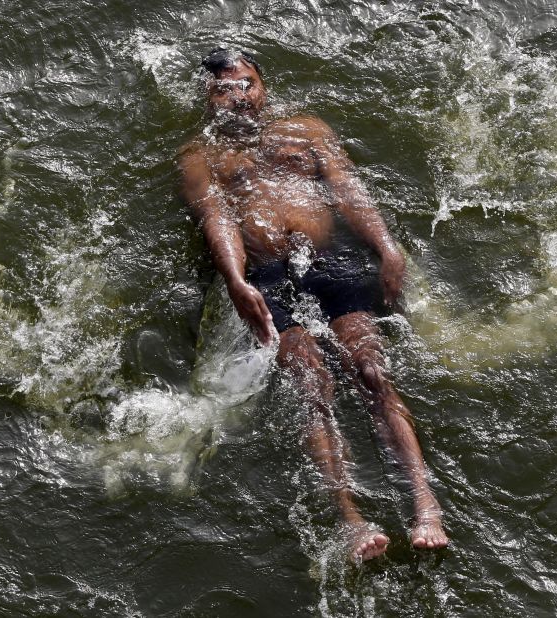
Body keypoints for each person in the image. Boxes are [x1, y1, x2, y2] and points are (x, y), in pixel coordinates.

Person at [178, 48, 448, 562]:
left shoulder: (306, 130)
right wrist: (236, 280)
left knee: (371, 369)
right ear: (208, 100)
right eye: (224, 90)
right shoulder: (200, 157)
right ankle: (349, 517)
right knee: (310, 379)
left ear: (264, 87)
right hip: (268, 275)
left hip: (330, 260)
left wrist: (387, 247)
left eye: (247, 85)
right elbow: (217, 219)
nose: (238, 97)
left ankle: (425, 500)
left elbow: (348, 190)